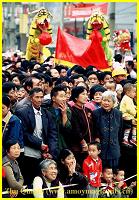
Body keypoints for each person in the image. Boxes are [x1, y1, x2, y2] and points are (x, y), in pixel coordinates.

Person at [15, 87, 58, 186]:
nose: (39, 100)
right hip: (29, 152)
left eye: (41, 97)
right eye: (37, 97)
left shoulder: (47, 113)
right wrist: (39, 144)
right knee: (30, 180)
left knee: (42, 182)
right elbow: (24, 133)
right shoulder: (22, 112)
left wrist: (51, 151)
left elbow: (53, 134)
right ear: (30, 98)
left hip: (44, 153)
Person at [92, 91, 123, 170]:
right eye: (104, 100)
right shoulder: (95, 113)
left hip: (114, 149)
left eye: (108, 101)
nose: (106, 103)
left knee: (113, 172)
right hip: (101, 148)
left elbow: (120, 131)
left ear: (114, 102)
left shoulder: (118, 113)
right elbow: (94, 130)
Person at [70, 86, 94, 166]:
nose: (86, 96)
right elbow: (75, 129)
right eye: (83, 94)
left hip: (90, 146)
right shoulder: (72, 111)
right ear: (76, 97)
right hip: (79, 147)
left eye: (86, 94)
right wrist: (83, 143)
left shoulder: (88, 110)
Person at [46, 84, 72, 156]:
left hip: (63, 144)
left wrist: (64, 114)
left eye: (64, 96)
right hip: (50, 144)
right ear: (53, 98)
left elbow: (67, 129)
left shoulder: (68, 111)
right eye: (61, 96)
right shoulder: (47, 111)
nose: (64, 99)